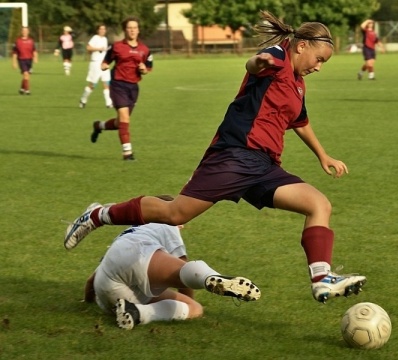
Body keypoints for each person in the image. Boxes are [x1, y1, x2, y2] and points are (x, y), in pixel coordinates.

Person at [65, 11, 366, 304]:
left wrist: (322, 155)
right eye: (319, 59)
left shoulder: (298, 84)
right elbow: (255, 64)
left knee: (318, 204)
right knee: (175, 215)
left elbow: (299, 121)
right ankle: (97, 215)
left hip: (264, 166)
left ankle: (321, 278)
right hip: (235, 156)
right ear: (302, 46)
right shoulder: (276, 56)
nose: (319, 67)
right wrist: (257, 62)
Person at [83, 196, 260, 330]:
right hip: (137, 255)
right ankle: (209, 276)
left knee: (148, 286)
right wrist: (188, 302)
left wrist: (88, 301)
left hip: (106, 294)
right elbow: (182, 266)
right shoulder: (167, 223)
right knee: (192, 299)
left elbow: (91, 281)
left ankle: (134, 312)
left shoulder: (129, 230)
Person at [89, 16, 152, 161]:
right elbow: (106, 60)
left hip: (133, 88)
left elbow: (148, 68)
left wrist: (144, 70)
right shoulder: (117, 46)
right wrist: (104, 65)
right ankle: (127, 153)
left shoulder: (145, 50)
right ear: (125, 30)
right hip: (118, 85)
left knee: (120, 123)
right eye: (129, 28)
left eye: (135, 28)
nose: (132, 30)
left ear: (138, 30)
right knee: (124, 119)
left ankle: (99, 126)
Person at [79, 24, 113, 109]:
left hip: (104, 63)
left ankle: (108, 103)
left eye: (104, 29)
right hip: (95, 63)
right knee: (92, 85)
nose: (102, 30)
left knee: (106, 83)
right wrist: (98, 49)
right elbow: (88, 48)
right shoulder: (95, 38)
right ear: (98, 30)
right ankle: (83, 100)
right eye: (101, 29)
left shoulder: (105, 39)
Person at [12, 26, 38, 95]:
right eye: (23, 31)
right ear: (21, 32)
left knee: (27, 76)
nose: (24, 32)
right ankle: (27, 90)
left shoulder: (31, 41)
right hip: (21, 60)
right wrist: (14, 62)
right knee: (26, 74)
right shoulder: (18, 41)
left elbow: (34, 50)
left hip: (29, 60)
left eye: (26, 31)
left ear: (28, 32)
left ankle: (22, 88)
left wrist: (35, 58)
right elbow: (14, 53)